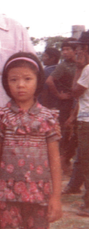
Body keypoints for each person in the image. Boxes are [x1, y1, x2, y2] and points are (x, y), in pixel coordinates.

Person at [0, 52, 62, 228]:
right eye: (13, 79)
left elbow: (55, 159)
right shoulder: (2, 116)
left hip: (40, 195)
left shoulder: (48, 117)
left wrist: (56, 197)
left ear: (38, 81)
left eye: (27, 79)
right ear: (6, 83)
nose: (20, 85)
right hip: (7, 195)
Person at [45, 39, 77, 172]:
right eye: (63, 50)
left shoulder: (82, 64)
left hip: (80, 102)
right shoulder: (63, 66)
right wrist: (59, 95)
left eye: (68, 49)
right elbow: (49, 81)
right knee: (64, 133)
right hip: (67, 104)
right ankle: (61, 163)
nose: (65, 52)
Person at [70, 32, 89, 216]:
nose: (79, 50)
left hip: (87, 121)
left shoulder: (87, 69)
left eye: (82, 46)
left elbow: (75, 91)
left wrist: (78, 67)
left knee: (87, 163)